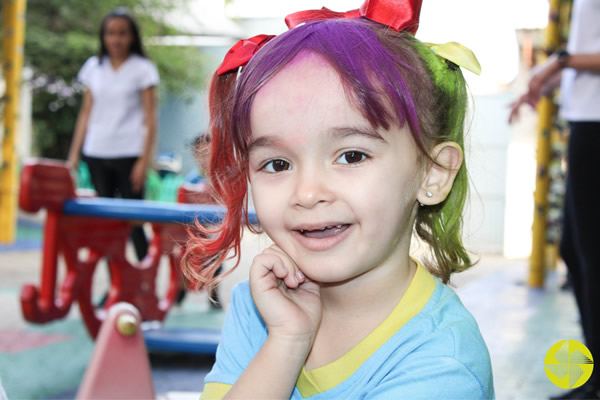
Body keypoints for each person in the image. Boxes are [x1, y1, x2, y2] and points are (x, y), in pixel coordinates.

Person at [184, 1, 494, 398]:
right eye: (277, 164)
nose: (308, 192)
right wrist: (286, 341)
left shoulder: (442, 364)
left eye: (351, 156)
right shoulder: (260, 307)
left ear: (432, 174)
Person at [509, 0, 600, 398]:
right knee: (576, 251)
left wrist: (560, 63)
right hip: (587, 120)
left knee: (591, 255)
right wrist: (547, 81)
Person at [67, 8, 159, 261]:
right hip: (96, 153)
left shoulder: (143, 69)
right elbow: (86, 112)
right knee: (106, 225)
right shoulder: (93, 67)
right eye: (110, 33)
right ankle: (115, 284)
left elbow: (151, 116)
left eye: (122, 34)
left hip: (130, 153)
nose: (116, 39)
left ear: (132, 37)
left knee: (134, 221)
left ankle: (142, 282)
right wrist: (74, 155)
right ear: (103, 36)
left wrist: (144, 160)